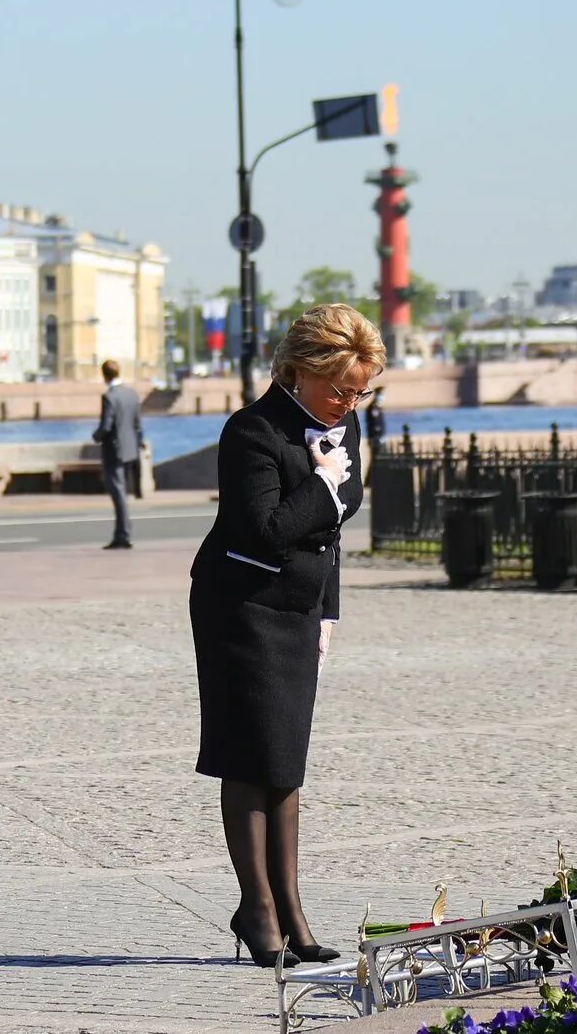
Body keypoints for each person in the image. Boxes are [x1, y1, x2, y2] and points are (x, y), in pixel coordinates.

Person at [188, 302, 385, 967]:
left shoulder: (342, 423)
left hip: (298, 610)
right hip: (239, 607)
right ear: (300, 370)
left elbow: (332, 530)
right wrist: (325, 484)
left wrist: (328, 611)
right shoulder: (251, 431)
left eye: (360, 391)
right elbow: (263, 529)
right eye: (339, 389)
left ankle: (293, 912)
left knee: (285, 766)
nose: (349, 403)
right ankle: (258, 911)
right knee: (250, 759)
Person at [92, 358, 144, 549]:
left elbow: (106, 426)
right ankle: (122, 533)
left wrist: (96, 436)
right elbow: (137, 423)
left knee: (118, 493)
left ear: (104, 375)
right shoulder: (131, 393)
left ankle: (123, 535)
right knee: (122, 493)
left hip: (115, 451)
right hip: (131, 450)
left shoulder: (109, 396)